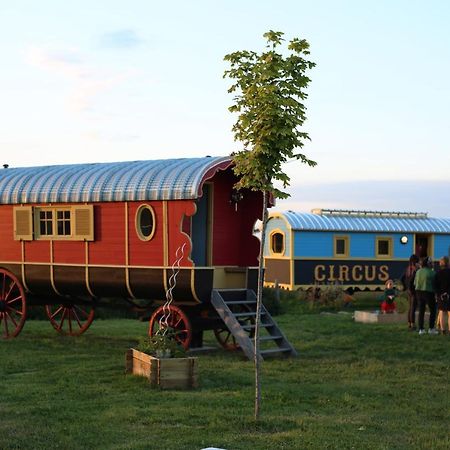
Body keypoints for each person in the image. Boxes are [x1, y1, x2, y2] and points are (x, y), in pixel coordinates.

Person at [414, 256, 438, 335]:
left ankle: (421, 329)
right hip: (428, 292)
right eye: (432, 263)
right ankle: (431, 328)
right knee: (433, 310)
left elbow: (415, 283)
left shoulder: (418, 271)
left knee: (421, 310)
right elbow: (435, 284)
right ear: (429, 264)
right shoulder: (432, 272)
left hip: (418, 291)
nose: (433, 264)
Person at [401, 254, 420, 330]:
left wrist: (405, 287)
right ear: (415, 262)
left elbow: (402, 278)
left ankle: (409, 323)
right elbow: (412, 280)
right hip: (413, 290)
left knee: (410, 307)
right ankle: (413, 324)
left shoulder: (408, 269)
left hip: (409, 290)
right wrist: (411, 288)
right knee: (413, 307)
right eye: (417, 261)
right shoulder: (415, 270)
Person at [434, 256, 450, 334]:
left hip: (440, 296)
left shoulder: (438, 273)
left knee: (442, 312)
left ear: (441, 263)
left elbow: (435, 285)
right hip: (449, 295)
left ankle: (443, 330)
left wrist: (439, 293)